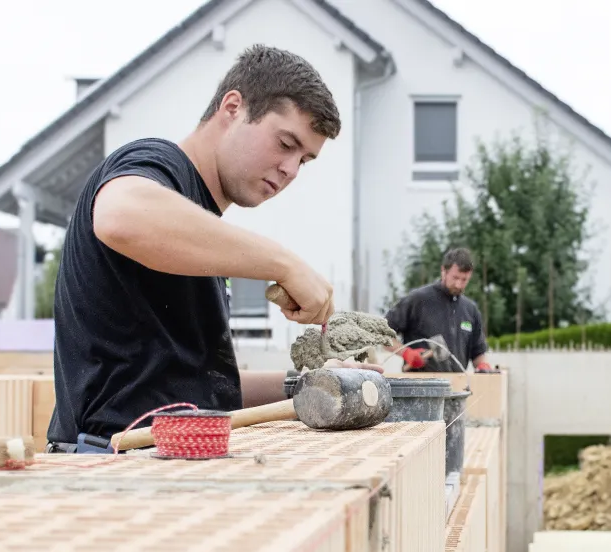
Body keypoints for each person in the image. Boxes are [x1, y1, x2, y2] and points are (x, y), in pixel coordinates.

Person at [46, 45, 379, 453]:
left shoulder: (198, 235)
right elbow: (119, 215)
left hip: (160, 465)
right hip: (111, 466)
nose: (291, 170)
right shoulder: (155, 163)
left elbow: (203, 390)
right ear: (233, 107)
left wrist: (311, 383)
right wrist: (284, 263)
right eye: (285, 143)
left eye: (304, 160)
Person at [385, 247, 493, 373]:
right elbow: (383, 335)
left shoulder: (470, 310)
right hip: (419, 386)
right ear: (443, 271)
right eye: (455, 278)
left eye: (464, 280)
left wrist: (483, 366)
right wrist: (406, 353)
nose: (459, 284)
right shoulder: (418, 300)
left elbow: (478, 352)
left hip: (456, 386)